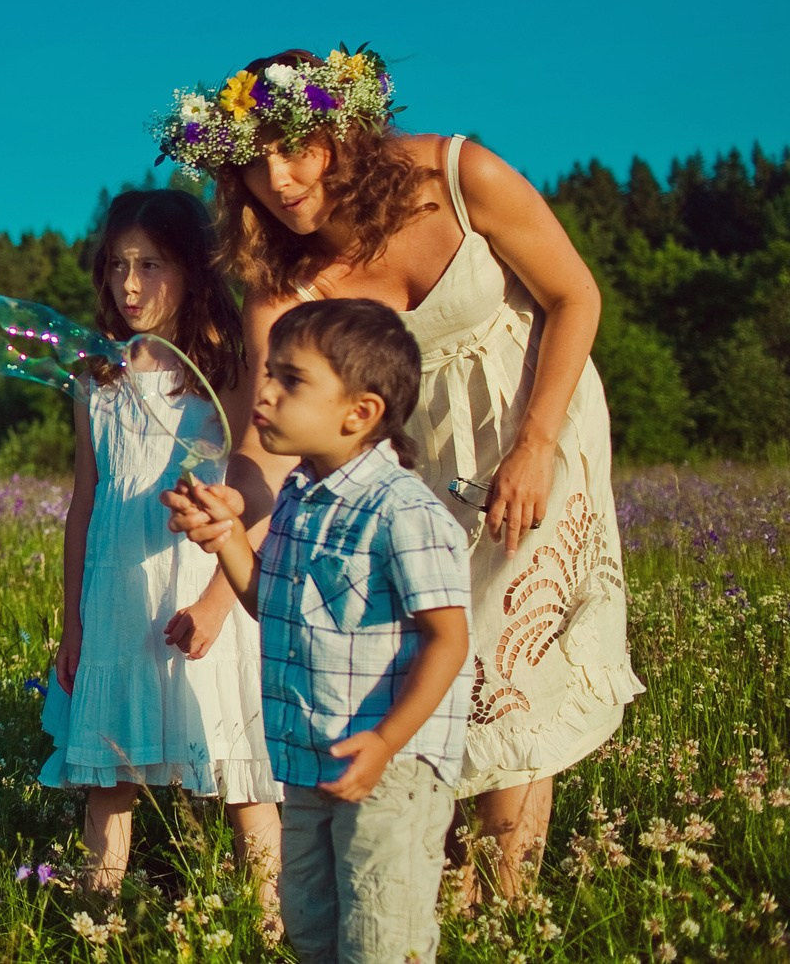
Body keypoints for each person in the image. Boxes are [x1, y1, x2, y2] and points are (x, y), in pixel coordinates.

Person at [151, 47, 643, 897]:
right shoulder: (283, 286)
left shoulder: (458, 174)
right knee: (440, 656)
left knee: (505, 661)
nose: (280, 176)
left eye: (296, 145)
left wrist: (536, 443)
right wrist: (233, 501)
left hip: (538, 422)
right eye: (255, 162)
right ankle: (451, 885)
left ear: (342, 129)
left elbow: (576, 296)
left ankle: (505, 894)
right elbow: (267, 443)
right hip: (415, 470)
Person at [167, 298, 472, 964]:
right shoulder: (300, 497)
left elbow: (449, 638)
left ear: (358, 412)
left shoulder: (404, 510)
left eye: (291, 379)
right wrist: (225, 539)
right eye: (267, 372)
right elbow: (269, 604)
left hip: (387, 768)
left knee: (379, 942)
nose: (265, 391)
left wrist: (387, 741)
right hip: (305, 763)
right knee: (311, 931)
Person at [38, 190, 281, 898]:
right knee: (108, 773)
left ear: (194, 268)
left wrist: (216, 602)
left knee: (242, 770)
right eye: (117, 265)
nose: (130, 284)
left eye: (151, 264)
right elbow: (85, 505)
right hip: (117, 596)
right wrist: (74, 622)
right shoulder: (97, 377)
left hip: (203, 588)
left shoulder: (225, 371)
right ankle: (96, 912)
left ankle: (267, 919)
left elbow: (254, 491)